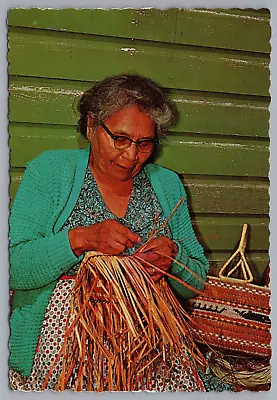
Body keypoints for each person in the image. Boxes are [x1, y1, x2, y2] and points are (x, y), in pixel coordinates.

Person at [9, 74, 232, 392]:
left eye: (144, 144)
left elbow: (195, 279)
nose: (131, 156)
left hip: (153, 352)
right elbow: (13, 267)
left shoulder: (166, 184)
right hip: (63, 356)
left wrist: (172, 257)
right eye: (120, 139)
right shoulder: (50, 172)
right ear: (91, 126)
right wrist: (81, 239)